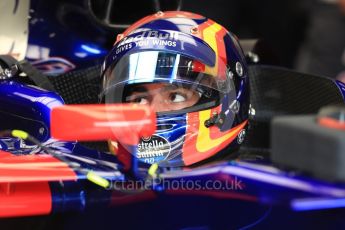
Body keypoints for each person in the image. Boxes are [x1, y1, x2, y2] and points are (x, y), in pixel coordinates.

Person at [99, 11, 250, 168]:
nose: (152, 111)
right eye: (139, 100)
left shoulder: (261, 188)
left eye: (176, 97)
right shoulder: (96, 181)